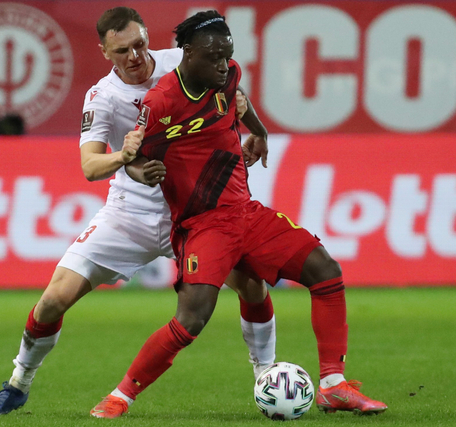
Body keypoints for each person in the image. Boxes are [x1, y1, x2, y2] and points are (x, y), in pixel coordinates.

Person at [90, 10, 388, 418]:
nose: (223, 63)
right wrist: (146, 171)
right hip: (202, 225)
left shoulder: (225, 74)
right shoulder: (159, 102)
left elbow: (238, 97)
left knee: (326, 270)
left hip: (246, 214)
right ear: (187, 54)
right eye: (213, 56)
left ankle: (334, 385)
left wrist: (260, 132)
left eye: (227, 54)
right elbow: (134, 157)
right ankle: (120, 396)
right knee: (191, 320)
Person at [0, 7, 276, 417]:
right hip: (130, 215)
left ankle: (267, 378)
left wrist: (255, 130)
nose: (135, 56)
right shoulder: (102, 98)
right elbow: (89, 166)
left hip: (196, 212)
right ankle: (18, 382)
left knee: (253, 284)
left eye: (139, 44)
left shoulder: (181, 62)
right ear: (105, 51)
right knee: (53, 300)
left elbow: (235, 99)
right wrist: (125, 156)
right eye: (123, 50)